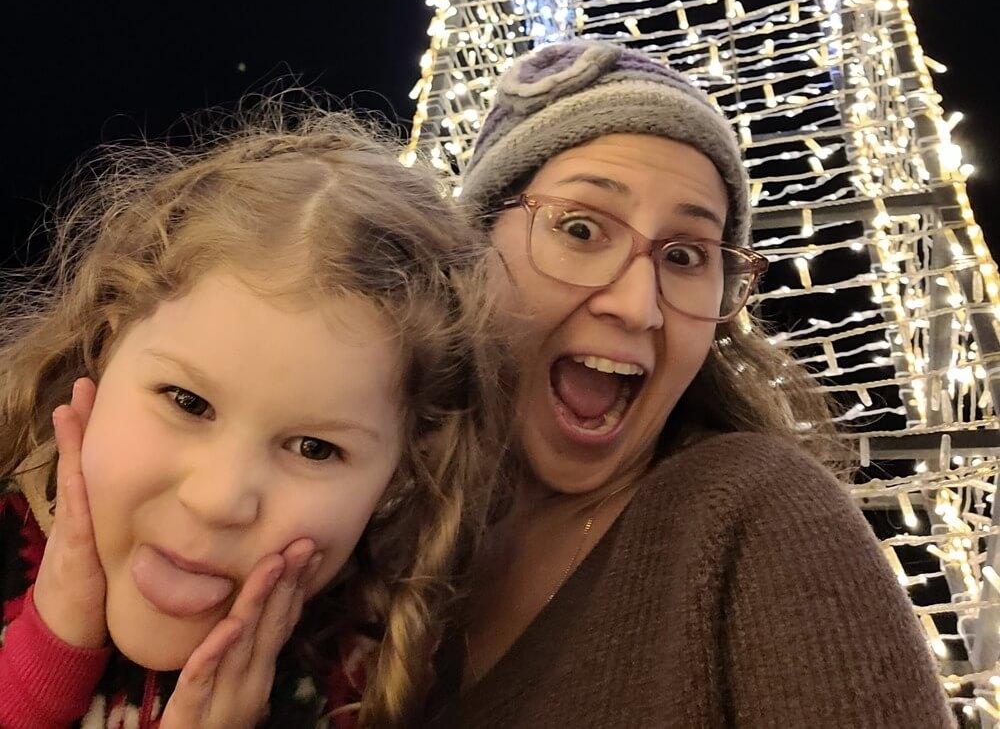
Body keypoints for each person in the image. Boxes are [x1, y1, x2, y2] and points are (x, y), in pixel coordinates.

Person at [432, 39, 952, 727]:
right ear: (475, 252)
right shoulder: (375, 535)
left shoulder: (755, 517)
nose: (637, 305)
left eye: (684, 255)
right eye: (582, 228)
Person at [0, 104, 508, 728]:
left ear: (398, 478)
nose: (219, 499)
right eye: (188, 402)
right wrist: (44, 660)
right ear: (105, 350)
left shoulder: (373, 686)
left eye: (315, 449)